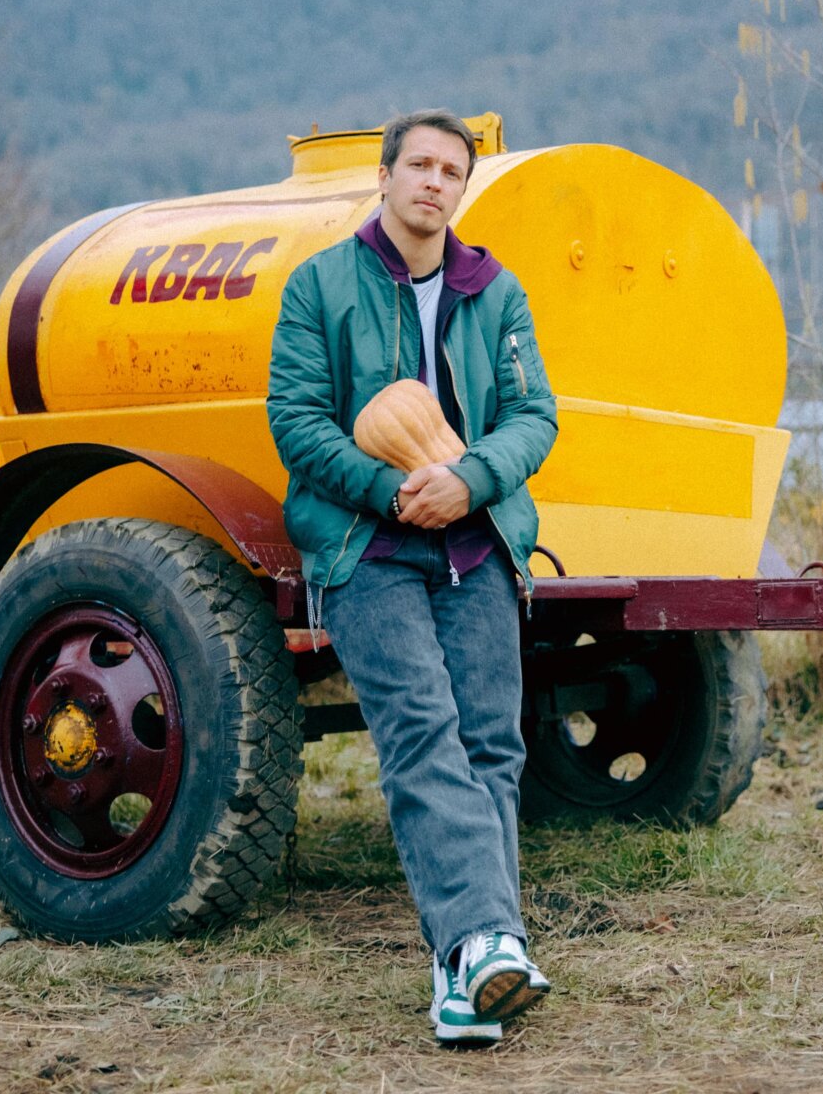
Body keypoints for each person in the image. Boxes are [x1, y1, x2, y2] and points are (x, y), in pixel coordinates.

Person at [267, 109, 558, 1046]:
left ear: (462, 189)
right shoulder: (320, 285)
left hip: (476, 540)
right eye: (420, 165)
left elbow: (534, 417)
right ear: (386, 178)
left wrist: (470, 479)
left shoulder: (495, 293)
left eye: (451, 171)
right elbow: (296, 421)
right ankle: (487, 942)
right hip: (368, 546)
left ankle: (465, 970)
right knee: (423, 731)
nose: (434, 181)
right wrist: (392, 491)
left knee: (492, 746)